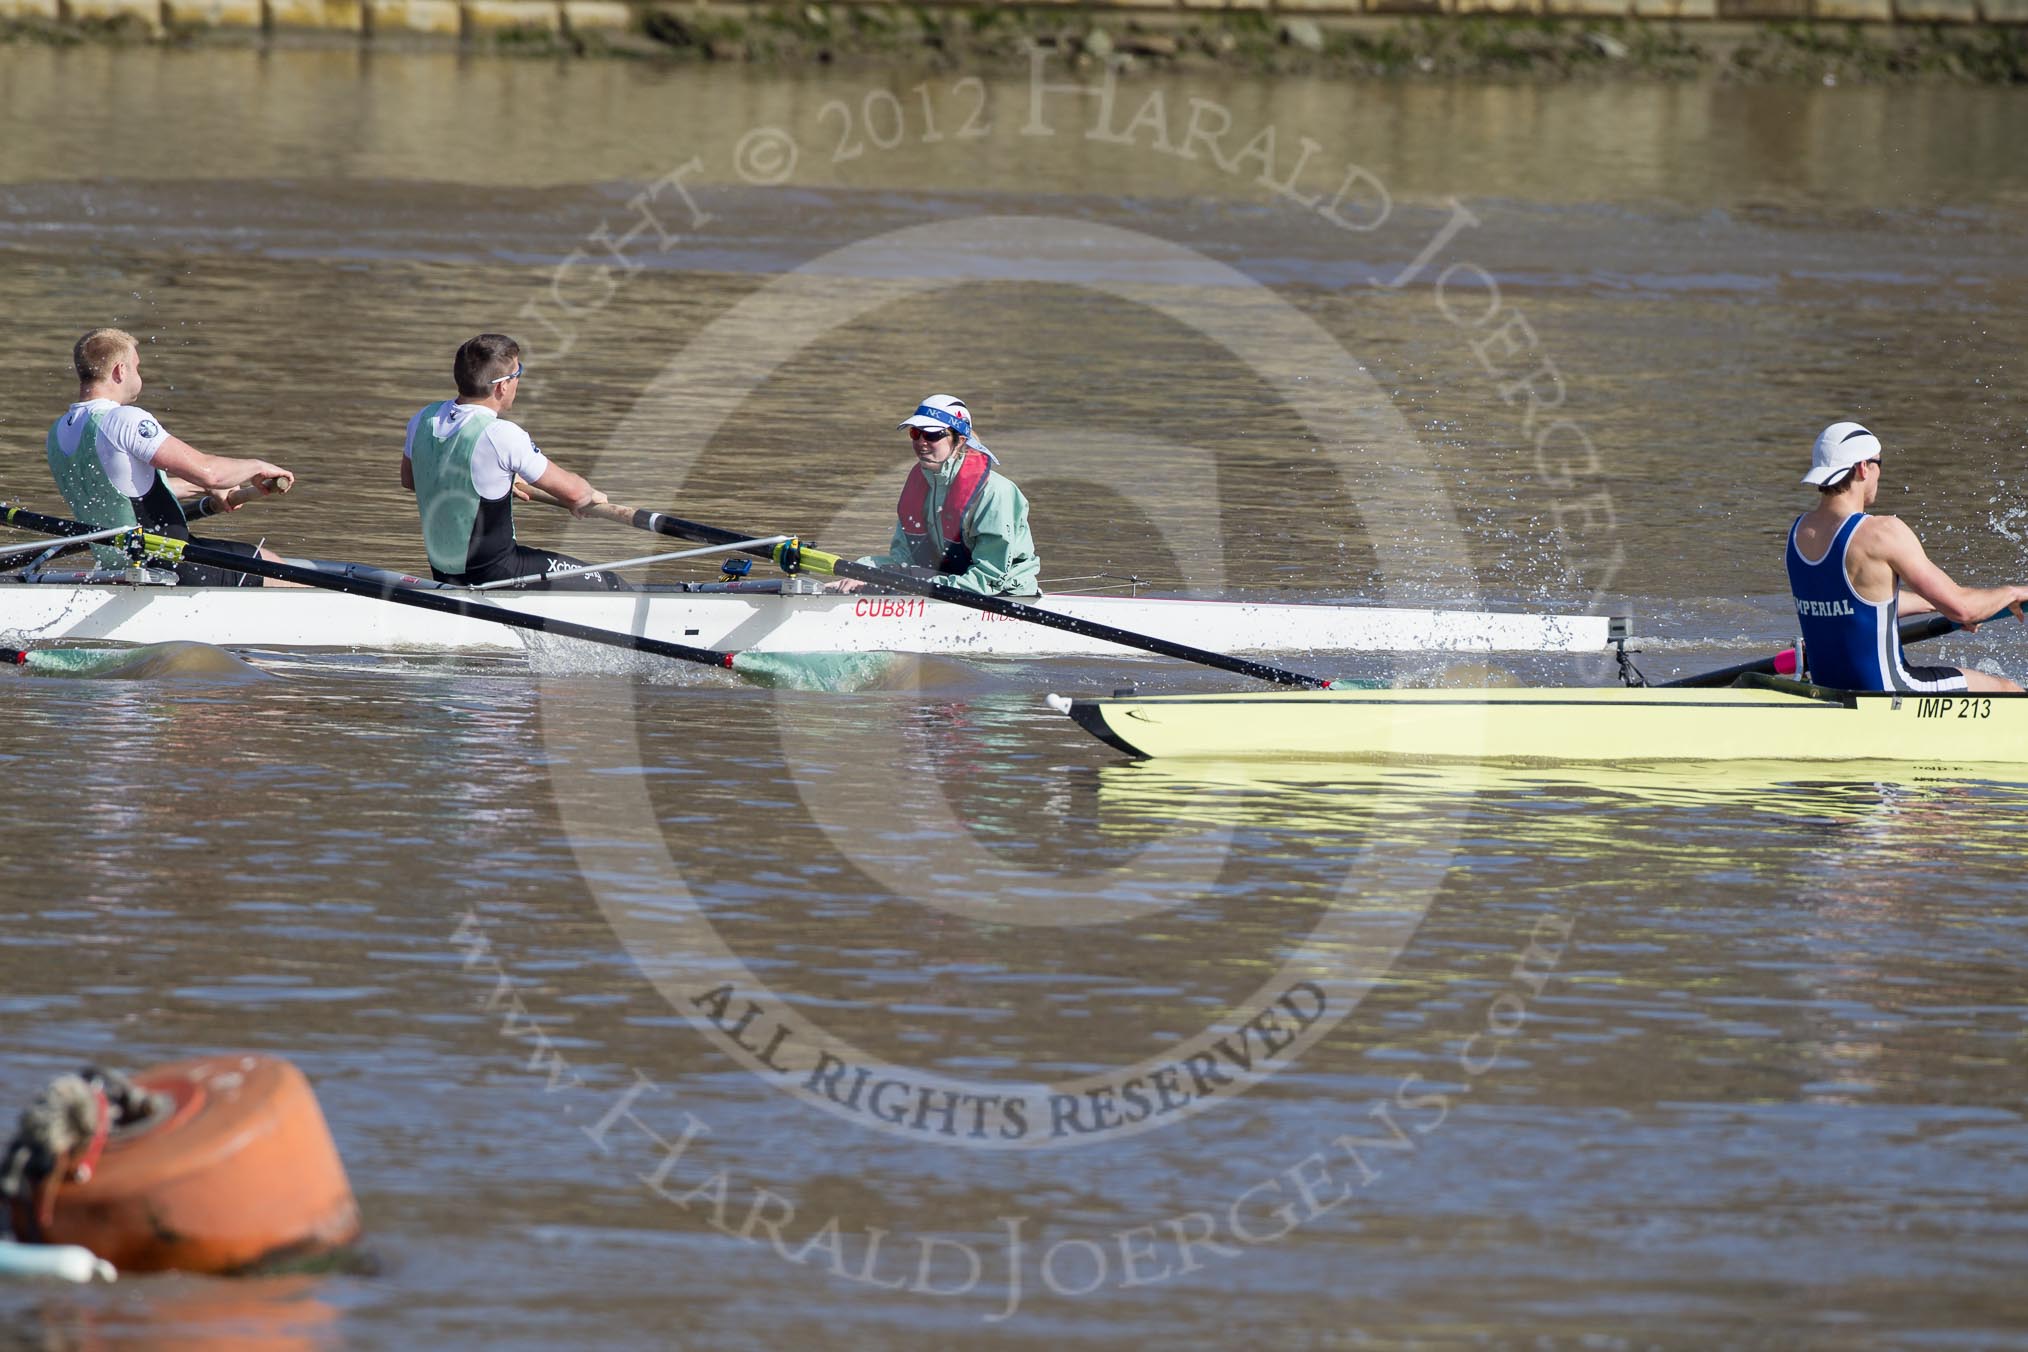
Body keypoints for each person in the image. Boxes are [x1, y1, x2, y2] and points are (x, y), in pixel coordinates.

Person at [1786, 420, 2028, 693]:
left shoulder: (1799, 533)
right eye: (1879, 464)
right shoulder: (1882, 532)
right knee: (2008, 689)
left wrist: (1935, 603)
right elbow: (1963, 608)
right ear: (1863, 468)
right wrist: (2012, 593)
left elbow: (1858, 605)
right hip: (1892, 690)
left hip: (1828, 686)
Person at [47, 328, 296, 586]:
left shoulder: (59, 431)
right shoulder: (124, 419)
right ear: (120, 370)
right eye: (137, 367)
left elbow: (123, 493)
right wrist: (257, 466)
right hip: (169, 561)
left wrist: (206, 488)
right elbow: (211, 472)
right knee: (273, 567)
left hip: (116, 564)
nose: (138, 375)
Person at [400, 334, 625, 591]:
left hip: (444, 571)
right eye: (518, 373)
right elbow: (574, 493)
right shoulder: (501, 435)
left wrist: (497, 481)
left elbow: (412, 480)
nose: (519, 381)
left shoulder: (422, 419)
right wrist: (589, 495)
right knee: (609, 582)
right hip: (498, 572)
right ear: (502, 386)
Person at [828, 394, 1041, 597]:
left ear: (959, 440)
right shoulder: (921, 485)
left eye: (932, 435)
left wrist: (896, 582)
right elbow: (903, 559)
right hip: (947, 586)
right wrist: (863, 572)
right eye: (915, 433)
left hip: (1002, 593)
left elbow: (989, 577)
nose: (921, 442)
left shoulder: (995, 492)